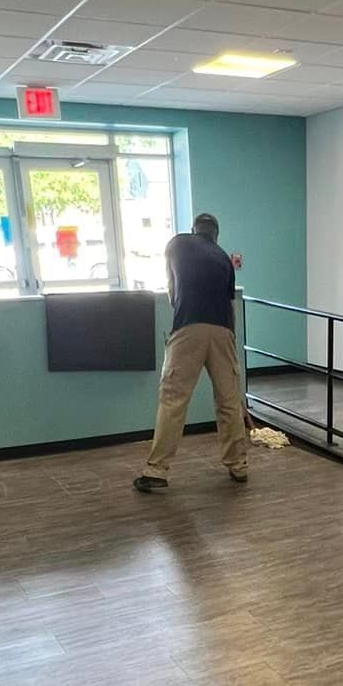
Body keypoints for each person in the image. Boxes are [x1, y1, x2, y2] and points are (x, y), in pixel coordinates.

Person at [133, 211, 248, 492]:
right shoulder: (223, 257)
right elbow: (229, 305)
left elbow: (173, 291)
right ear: (215, 235)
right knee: (229, 401)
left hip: (188, 328)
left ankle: (156, 470)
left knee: (173, 399)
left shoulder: (177, 244)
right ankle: (238, 465)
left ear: (193, 229)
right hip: (223, 332)